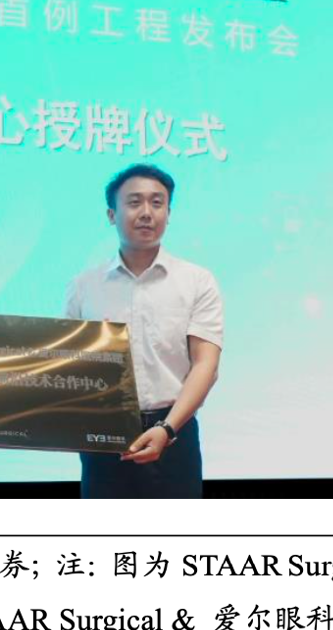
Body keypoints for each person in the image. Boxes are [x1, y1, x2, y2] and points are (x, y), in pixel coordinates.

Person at [65, 164, 223, 499]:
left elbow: (206, 365)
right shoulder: (84, 286)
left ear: (169, 213)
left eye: (157, 202)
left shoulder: (196, 281)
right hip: (103, 436)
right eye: (134, 202)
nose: (147, 213)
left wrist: (167, 428)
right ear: (112, 215)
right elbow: (66, 363)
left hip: (174, 431)